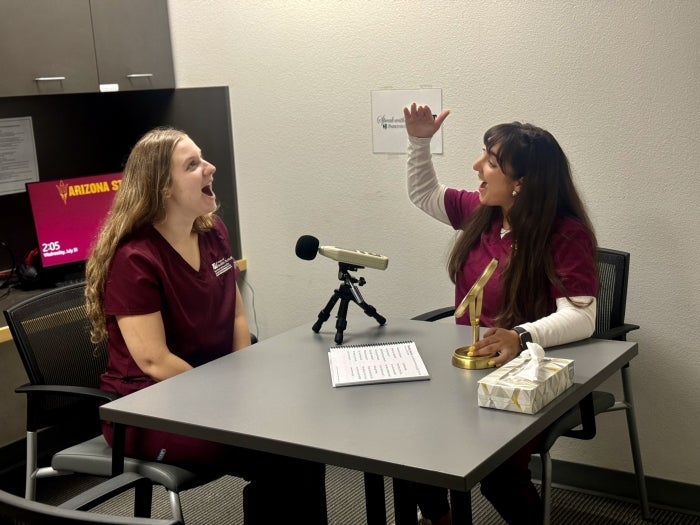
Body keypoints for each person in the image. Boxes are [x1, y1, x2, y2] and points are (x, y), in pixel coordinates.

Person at [85, 126, 327, 524]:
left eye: (204, 157)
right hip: (148, 411)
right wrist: (232, 401)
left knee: (301, 439)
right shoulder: (135, 259)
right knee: (280, 450)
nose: (210, 168)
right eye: (193, 164)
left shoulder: (213, 232)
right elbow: (155, 361)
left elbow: (235, 315)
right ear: (163, 188)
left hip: (212, 392)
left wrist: (249, 381)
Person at [402, 103, 598, 525]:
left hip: (520, 370)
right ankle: (439, 517)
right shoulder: (483, 212)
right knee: (409, 443)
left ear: (521, 184)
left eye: (490, 162)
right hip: (466, 367)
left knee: (497, 474)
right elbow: (424, 194)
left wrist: (520, 336)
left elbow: (581, 317)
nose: (477, 167)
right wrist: (420, 143)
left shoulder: (564, 234)